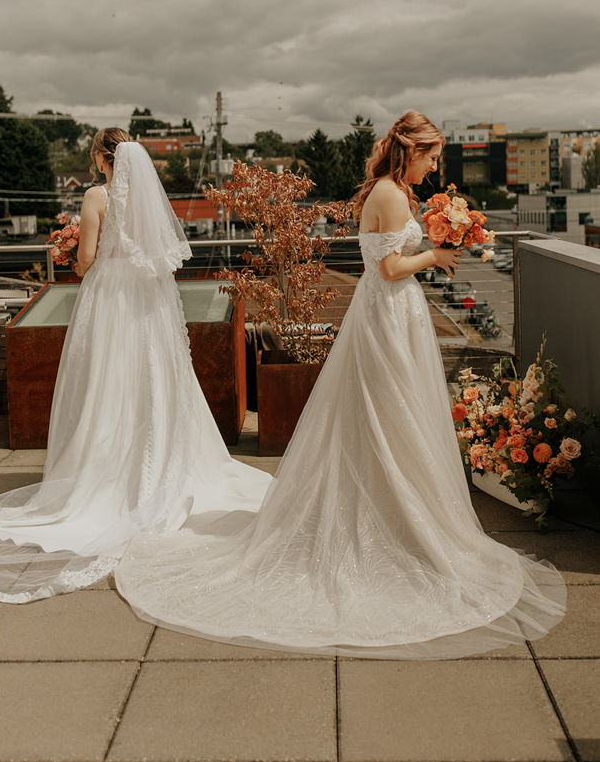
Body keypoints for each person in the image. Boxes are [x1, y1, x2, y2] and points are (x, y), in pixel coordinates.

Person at [115, 112, 566, 659]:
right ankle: (394, 517)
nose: (434, 167)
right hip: (390, 311)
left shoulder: (389, 189)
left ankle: (392, 505)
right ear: (410, 151)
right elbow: (390, 269)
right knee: (390, 413)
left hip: (387, 316)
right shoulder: (393, 196)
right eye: (430, 157)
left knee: (386, 415)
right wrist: (437, 255)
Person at [0, 129, 271, 601]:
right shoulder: (147, 200)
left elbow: (89, 260)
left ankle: (108, 467)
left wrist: (70, 252)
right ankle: (156, 467)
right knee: (152, 380)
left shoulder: (97, 196)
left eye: (93, 154)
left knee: (107, 383)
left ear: (102, 157)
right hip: (147, 304)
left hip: (111, 302)